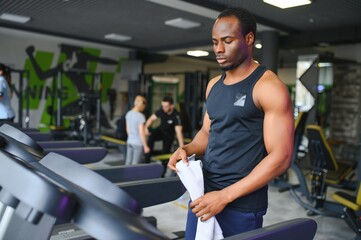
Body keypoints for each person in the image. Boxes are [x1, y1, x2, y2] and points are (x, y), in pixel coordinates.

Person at [168, 7, 294, 239]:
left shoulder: (268, 87)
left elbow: (281, 158)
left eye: (227, 41)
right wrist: (187, 149)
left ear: (249, 39)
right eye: (215, 41)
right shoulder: (214, 85)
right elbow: (207, 133)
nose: (218, 49)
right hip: (203, 196)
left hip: (240, 204)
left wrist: (224, 196)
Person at [145, 96, 184, 175]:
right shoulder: (161, 110)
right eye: (163, 106)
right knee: (151, 137)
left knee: (165, 152)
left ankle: (162, 172)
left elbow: (178, 132)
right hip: (160, 131)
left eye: (166, 106)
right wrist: (146, 127)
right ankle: (147, 162)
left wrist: (182, 147)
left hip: (169, 135)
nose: (164, 108)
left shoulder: (176, 115)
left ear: (171, 106)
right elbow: (151, 119)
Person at [125, 95, 150, 165]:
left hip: (130, 141)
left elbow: (127, 129)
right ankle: (133, 176)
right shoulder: (140, 116)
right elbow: (141, 132)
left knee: (128, 162)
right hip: (138, 143)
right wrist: (145, 146)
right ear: (142, 105)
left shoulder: (128, 113)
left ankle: (126, 175)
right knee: (135, 164)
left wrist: (131, 137)